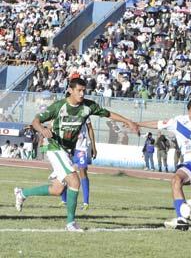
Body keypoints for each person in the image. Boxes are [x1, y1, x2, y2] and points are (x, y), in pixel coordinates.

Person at [14, 78, 139, 232]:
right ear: (70, 90)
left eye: (84, 90)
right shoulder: (59, 106)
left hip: (67, 150)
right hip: (55, 147)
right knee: (74, 181)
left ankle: (22, 193)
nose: (82, 93)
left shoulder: (88, 106)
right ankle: (70, 223)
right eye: (79, 90)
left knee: (58, 189)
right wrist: (42, 129)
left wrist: (129, 121)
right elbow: (35, 121)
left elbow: (108, 114)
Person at [137, 98, 191, 243]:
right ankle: (181, 219)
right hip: (190, 163)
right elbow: (158, 123)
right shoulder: (178, 121)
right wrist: (137, 124)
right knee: (175, 179)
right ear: (188, 111)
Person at [61, 118, 97, 210]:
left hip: (81, 149)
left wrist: (93, 146)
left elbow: (90, 128)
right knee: (64, 172)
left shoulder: (85, 112)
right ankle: (64, 200)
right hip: (68, 147)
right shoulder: (65, 111)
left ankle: (86, 203)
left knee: (83, 171)